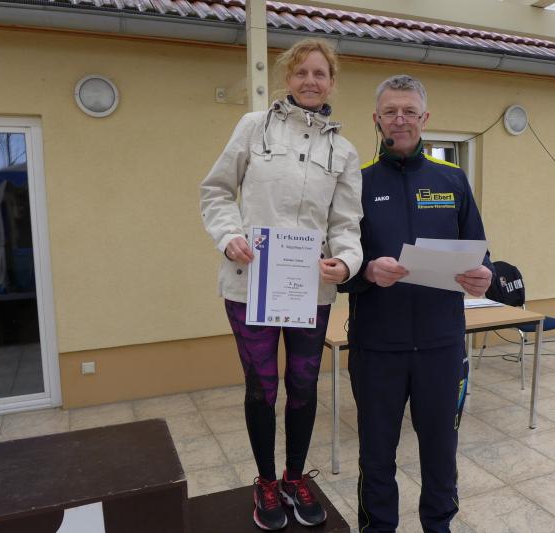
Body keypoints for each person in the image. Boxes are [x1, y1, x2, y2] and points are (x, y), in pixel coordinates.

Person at [199, 39, 363, 531]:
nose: (310, 81)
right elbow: (216, 191)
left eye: (320, 73)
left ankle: (295, 477)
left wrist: (346, 262)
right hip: (251, 285)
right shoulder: (254, 127)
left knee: (304, 386)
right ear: (287, 78)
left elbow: (346, 224)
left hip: (309, 290)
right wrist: (229, 235)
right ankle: (267, 482)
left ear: (331, 82)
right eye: (301, 72)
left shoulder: (343, 151)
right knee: (262, 388)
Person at [340, 75, 493, 533]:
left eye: (409, 111)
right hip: (376, 346)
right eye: (390, 111)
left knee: (441, 452)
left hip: (441, 345)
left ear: (425, 118)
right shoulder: (357, 182)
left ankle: (439, 526)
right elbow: (338, 262)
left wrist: (483, 275)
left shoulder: (452, 180)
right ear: (377, 119)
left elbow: (479, 252)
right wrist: (367, 270)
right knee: (376, 454)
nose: (400, 119)